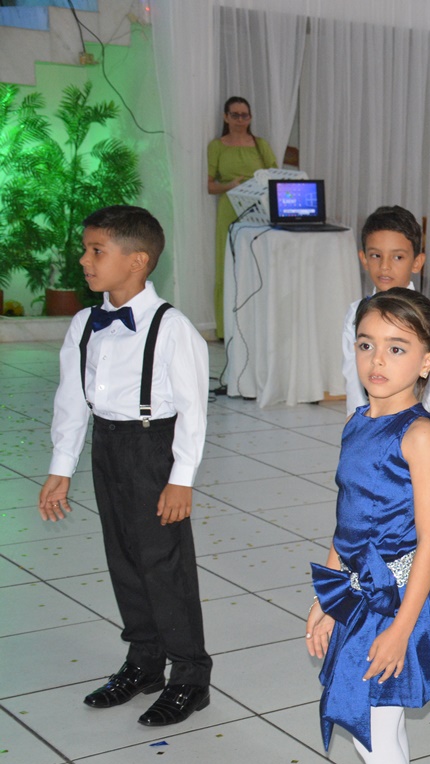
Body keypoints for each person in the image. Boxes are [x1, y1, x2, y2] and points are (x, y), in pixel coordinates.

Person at [305, 288, 430, 764]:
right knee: (378, 730)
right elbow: (347, 524)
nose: (377, 360)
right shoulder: (358, 421)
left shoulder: (419, 436)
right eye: (366, 345)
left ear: (426, 361)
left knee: (373, 729)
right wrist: (326, 598)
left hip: (395, 599)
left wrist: (400, 630)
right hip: (358, 594)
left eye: (397, 348)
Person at [39, 205, 212, 727]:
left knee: (164, 564)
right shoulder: (84, 324)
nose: (84, 260)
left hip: (153, 449)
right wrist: (61, 466)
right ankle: (144, 660)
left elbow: (194, 412)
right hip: (107, 446)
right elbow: (72, 399)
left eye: (97, 250)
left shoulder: (172, 327)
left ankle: (189, 675)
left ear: (137, 261)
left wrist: (181, 479)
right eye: (86, 249)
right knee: (124, 557)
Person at [342, 206, 430, 658]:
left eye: (397, 256)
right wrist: (355, 434)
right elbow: (351, 378)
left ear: (417, 261)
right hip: (372, 435)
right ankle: (367, 614)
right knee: (365, 531)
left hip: (418, 445)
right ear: (363, 258)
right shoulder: (357, 313)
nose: (385, 266)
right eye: (375, 255)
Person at [207, 96, 277, 338]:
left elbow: (275, 177)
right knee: (228, 263)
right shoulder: (217, 146)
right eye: (235, 115)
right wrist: (229, 186)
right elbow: (210, 186)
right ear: (226, 117)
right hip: (230, 207)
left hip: (259, 208)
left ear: (250, 117)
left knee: (258, 262)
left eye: (244, 115)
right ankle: (226, 328)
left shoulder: (260, 144)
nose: (240, 120)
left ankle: (256, 325)